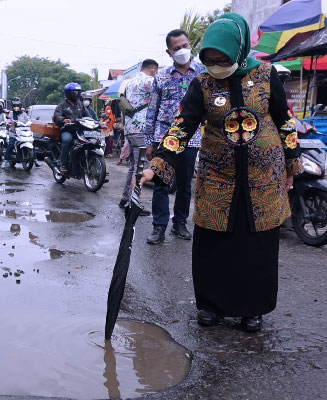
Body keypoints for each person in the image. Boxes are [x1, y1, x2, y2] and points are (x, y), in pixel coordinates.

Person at [139, 13, 302, 332]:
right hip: (217, 178)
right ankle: (211, 306)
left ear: (238, 50)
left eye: (221, 58)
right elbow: (182, 126)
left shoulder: (267, 74)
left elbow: (284, 120)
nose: (215, 64)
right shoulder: (201, 84)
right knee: (214, 243)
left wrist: (292, 161)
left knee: (257, 246)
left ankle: (252, 309)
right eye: (209, 59)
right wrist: (158, 164)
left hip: (263, 178)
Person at [144, 29, 205, 244]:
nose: (182, 50)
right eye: (176, 48)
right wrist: (149, 142)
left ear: (190, 45)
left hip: (192, 137)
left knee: (185, 182)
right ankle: (159, 226)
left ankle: (180, 222)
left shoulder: (202, 73)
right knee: (161, 181)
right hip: (164, 137)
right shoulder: (161, 78)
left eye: (185, 46)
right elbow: (152, 110)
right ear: (169, 52)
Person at [119, 59, 158, 211]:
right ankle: (133, 203)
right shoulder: (149, 81)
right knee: (140, 167)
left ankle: (125, 199)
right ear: (153, 70)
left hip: (129, 129)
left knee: (133, 167)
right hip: (141, 129)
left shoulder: (130, 82)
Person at [53, 82, 90, 174]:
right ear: (68, 93)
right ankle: (63, 164)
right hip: (67, 130)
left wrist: (97, 122)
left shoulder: (80, 105)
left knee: (90, 141)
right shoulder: (62, 105)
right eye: (74, 92)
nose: (77, 94)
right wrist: (64, 120)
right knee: (67, 140)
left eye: (78, 92)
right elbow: (57, 116)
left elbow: (89, 116)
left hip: (80, 130)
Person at [1, 97, 31, 168]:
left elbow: (28, 119)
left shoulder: (23, 114)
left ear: (20, 106)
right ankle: (5, 160)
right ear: (12, 107)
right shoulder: (11, 114)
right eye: (14, 106)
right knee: (11, 144)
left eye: (17, 106)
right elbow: (8, 121)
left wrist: (29, 122)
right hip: (14, 134)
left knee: (30, 142)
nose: (16, 108)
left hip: (23, 133)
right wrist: (10, 122)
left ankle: (35, 160)